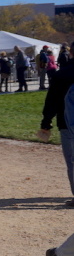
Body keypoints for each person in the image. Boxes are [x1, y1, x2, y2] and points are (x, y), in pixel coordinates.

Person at [37, 55, 74, 206]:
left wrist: (46, 122)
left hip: (67, 122)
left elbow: (52, 101)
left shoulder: (62, 74)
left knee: (72, 162)